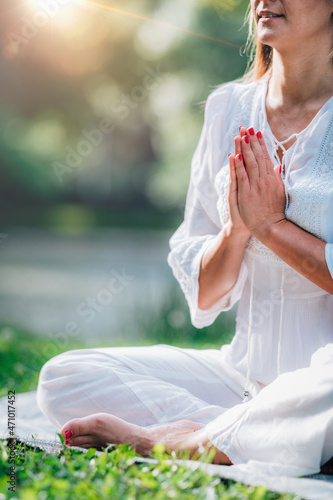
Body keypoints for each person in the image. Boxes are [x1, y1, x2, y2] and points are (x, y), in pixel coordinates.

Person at [36, 0, 333, 476]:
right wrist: (237, 231)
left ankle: (195, 441)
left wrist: (271, 228)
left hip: (325, 383)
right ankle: (269, 437)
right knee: (64, 377)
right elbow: (207, 293)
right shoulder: (227, 108)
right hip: (240, 379)